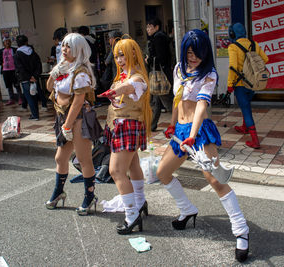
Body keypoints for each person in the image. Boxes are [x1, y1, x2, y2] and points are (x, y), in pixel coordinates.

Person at [156, 29, 250, 262]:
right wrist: (172, 123)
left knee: (215, 179)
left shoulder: (208, 74)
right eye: (189, 52)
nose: (193, 57)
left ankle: (241, 230)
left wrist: (194, 134)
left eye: (197, 53)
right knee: (162, 172)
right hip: (180, 131)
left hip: (200, 131)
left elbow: (200, 105)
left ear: (205, 52)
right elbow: (178, 99)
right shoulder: (179, 69)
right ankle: (187, 209)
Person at [97, 38, 152, 235]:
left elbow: (129, 87)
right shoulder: (123, 76)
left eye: (123, 55)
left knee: (115, 171)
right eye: (117, 56)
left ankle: (131, 215)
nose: (119, 60)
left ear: (134, 54)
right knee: (133, 165)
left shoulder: (138, 78)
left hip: (127, 126)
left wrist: (114, 91)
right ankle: (139, 202)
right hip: (120, 126)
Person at [45, 33, 102, 215]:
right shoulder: (64, 68)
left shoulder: (81, 71)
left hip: (78, 119)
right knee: (60, 158)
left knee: (84, 159)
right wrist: (55, 73)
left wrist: (68, 126)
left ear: (78, 50)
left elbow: (78, 101)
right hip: (63, 117)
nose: (64, 50)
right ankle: (59, 192)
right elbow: (48, 88)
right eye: (63, 46)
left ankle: (89, 195)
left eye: (68, 47)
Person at [227, 23, 268, 149]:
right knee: (247, 105)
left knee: (246, 109)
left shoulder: (233, 47)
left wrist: (229, 85)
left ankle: (255, 140)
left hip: (240, 84)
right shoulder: (254, 43)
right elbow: (265, 59)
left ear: (232, 34)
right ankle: (245, 127)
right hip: (253, 83)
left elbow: (233, 67)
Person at [146, 18, 173, 131]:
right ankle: (152, 125)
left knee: (167, 101)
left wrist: (149, 60)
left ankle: (179, 121)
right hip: (160, 74)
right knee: (156, 101)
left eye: (150, 27)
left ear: (156, 27)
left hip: (160, 76)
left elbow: (161, 57)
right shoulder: (160, 37)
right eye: (147, 27)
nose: (148, 29)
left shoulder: (158, 38)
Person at [14, 35, 44, 120]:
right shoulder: (33, 52)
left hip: (25, 79)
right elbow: (39, 65)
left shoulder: (17, 54)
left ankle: (34, 115)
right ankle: (36, 114)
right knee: (34, 95)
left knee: (29, 97)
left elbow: (20, 68)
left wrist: (28, 77)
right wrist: (35, 76)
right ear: (26, 42)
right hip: (34, 79)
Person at [0, 37, 23, 105]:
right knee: (9, 86)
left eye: (8, 41)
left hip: (14, 70)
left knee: (16, 85)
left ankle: (20, 98)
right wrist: (1, 63)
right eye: (6, 42)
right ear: (3, 43)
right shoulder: (1, 51)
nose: (7, 43)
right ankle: (11, 99)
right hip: (5, 71)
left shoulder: (15, 50)